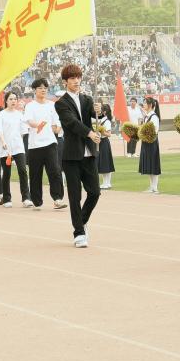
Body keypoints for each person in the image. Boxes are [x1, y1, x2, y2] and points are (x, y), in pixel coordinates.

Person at [54, 64, 102, 249]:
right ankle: (79, 233)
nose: (76, 81)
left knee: (95, 192)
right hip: (71, 156)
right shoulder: (61, 103)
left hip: (89, 154)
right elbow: (72, 123)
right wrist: (90, 133)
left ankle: (81, 221)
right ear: (65, 82)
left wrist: (100, 110)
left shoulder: (87, 99)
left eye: (78, 77)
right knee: (75, 196)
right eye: (72, 78)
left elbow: (96, 116)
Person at [22, 78, 66, 211]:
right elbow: (29, 121)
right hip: (35, 145)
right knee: (35, 174)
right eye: (40, 88)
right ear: (34, 90)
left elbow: (57, 121)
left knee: (55, 171)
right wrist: (38, 125)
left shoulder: (52, 105)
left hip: (50, 143)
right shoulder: (30, 106)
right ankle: (37, 201)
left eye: (45, 88)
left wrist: (57, 128)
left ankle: (58, 199)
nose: (43, 90)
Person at [0, 92, 31, 207]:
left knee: (22, 170)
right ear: (6, 101)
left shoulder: (19, 114)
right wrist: (3, 142)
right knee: (6, 173)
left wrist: (18, 142)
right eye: (11, 99)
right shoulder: (1, 115)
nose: (13, 101)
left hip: (18, 147)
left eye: (15, 99)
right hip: (5, 148)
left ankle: (26, 198)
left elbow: (23, 131)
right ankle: (7, 199)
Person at [138, 97, 161, 193]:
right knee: (149, 164)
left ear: (150, 105)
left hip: (152, 142)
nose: (143, 104)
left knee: (153, 164)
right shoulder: (146, 116)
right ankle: (151, 186)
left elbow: (154, 131)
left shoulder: (154, 117)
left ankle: (155, 187)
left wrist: (144, 133)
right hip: (146, 142)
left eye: (145, 103)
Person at [93, 102, 115, 189]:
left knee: (106, 162)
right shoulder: (100, 120)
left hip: (104, 142)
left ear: (104, 112)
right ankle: (105, 182)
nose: (99, 111)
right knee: (102, 163)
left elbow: (109, 134)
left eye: (100, 110)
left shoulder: (107, 121)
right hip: (99, 142)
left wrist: (101, 131)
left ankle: (107, 183)